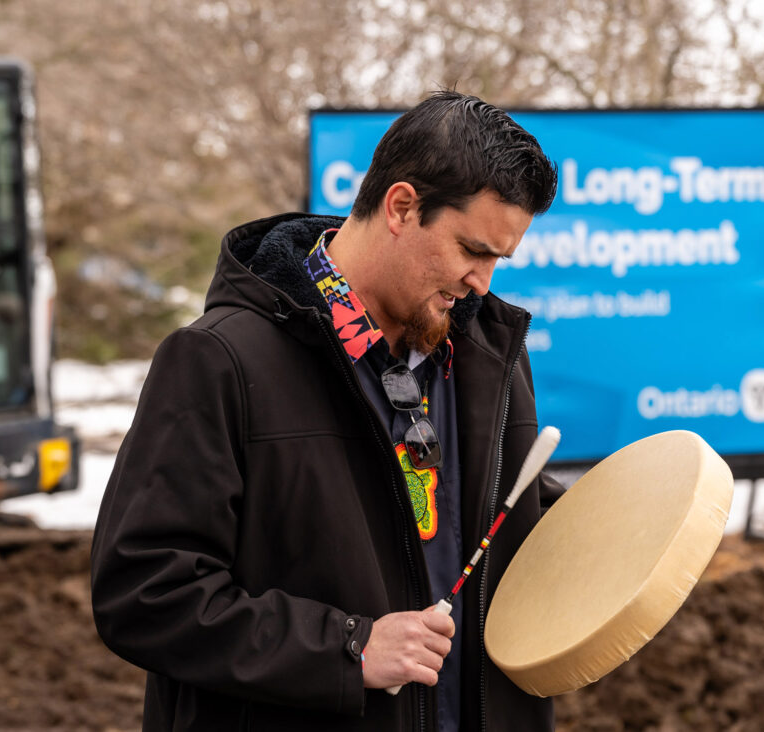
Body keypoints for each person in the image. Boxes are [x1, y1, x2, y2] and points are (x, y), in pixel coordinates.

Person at [91, 90, 562, 731]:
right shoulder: (219, 360)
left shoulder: (489, 353)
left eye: (498, 260)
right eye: (472, 250)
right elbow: (145, 592)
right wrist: (347, 648)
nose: (483, 281)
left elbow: (494, 517)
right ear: (401, 207)